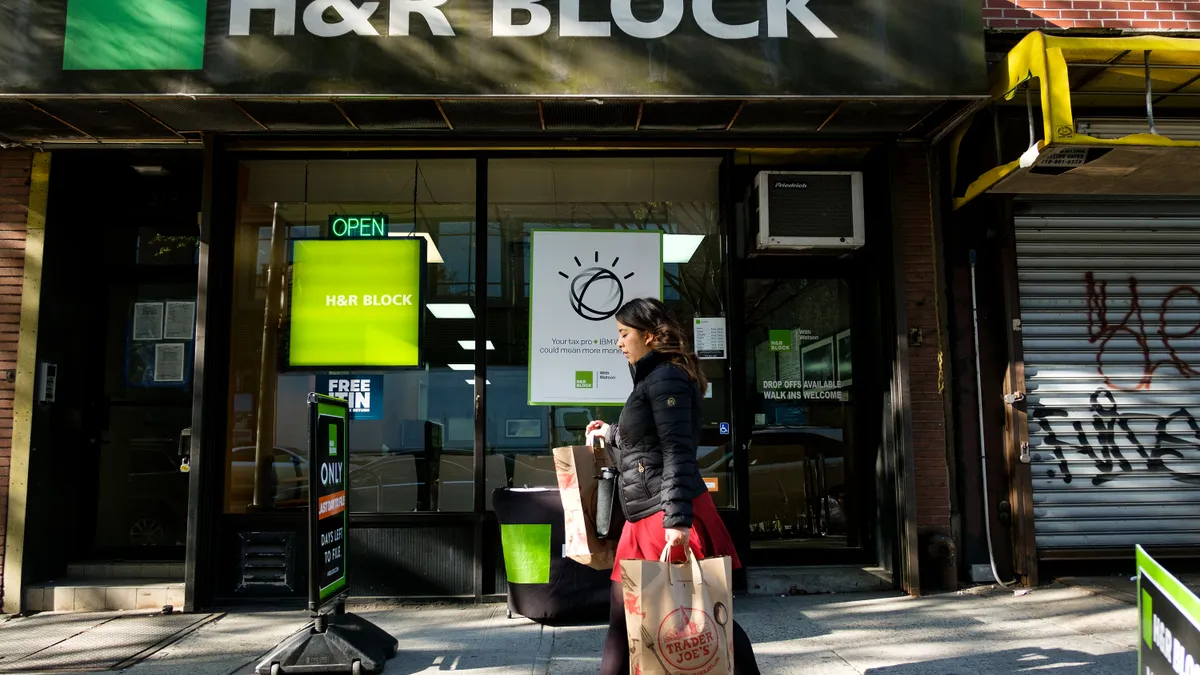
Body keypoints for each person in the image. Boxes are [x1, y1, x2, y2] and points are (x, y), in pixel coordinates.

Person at [586, 297, 761, 675]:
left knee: (705, 612)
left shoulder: (666, 378)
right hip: (647, 511)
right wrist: (610, 432)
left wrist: (677, 522)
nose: (618, 342)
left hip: (664, 513)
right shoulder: (653, 378)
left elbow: (679, 450)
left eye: (623, 333)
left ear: (648, 336)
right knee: (628, 618)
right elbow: (647, 440)